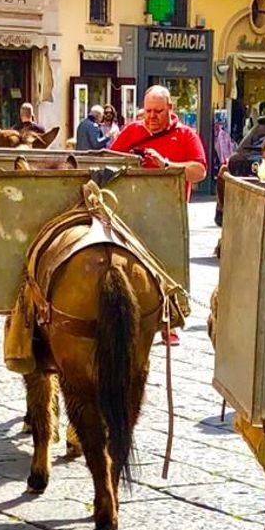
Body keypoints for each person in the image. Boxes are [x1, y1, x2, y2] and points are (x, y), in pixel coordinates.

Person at [109, 85, 208, 346]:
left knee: (166, 270)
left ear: (170, 109)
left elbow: (200, 171)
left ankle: (168, 323)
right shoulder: (131, 131)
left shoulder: (186, 135)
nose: (151, 117)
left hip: (169, 216)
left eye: (158, 111)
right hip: (130, 211)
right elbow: (107, 160)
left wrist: (167, 165)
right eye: (148, 111)